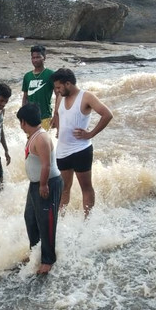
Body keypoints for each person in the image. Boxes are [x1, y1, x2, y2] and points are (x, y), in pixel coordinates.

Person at [50, 67, 113, 218]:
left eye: (59, 87)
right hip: (62, 151)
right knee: (64, 188)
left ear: (68, 84)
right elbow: (58, 114)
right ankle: (61, 220)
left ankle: (87, 220)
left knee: (86, 187)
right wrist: (58, 129)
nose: (57, 91)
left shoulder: (87, 97)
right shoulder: (60, 97)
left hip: (81, 150)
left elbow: (107, 114)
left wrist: (91, 133)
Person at [18, 103, 62, 275]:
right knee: (30, 217)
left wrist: (43, 185)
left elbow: (46, 164)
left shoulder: (41, 138)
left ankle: (48, 260)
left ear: (23, 122)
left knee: (47, 222)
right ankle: (36, 252)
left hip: (48, 183)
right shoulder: (33, 135)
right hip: (36, 184)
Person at [20, 45, 55, 130]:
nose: (35, 60)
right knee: (31, 141)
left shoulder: (50, 74)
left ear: (44, 57)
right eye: (33, 57)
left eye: (38, 57)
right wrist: (23, 116)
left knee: (43, 141)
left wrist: (57, 114)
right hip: (30, 118)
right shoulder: (27, 76)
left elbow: (59, 95)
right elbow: (25, 97)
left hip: (45, 116)